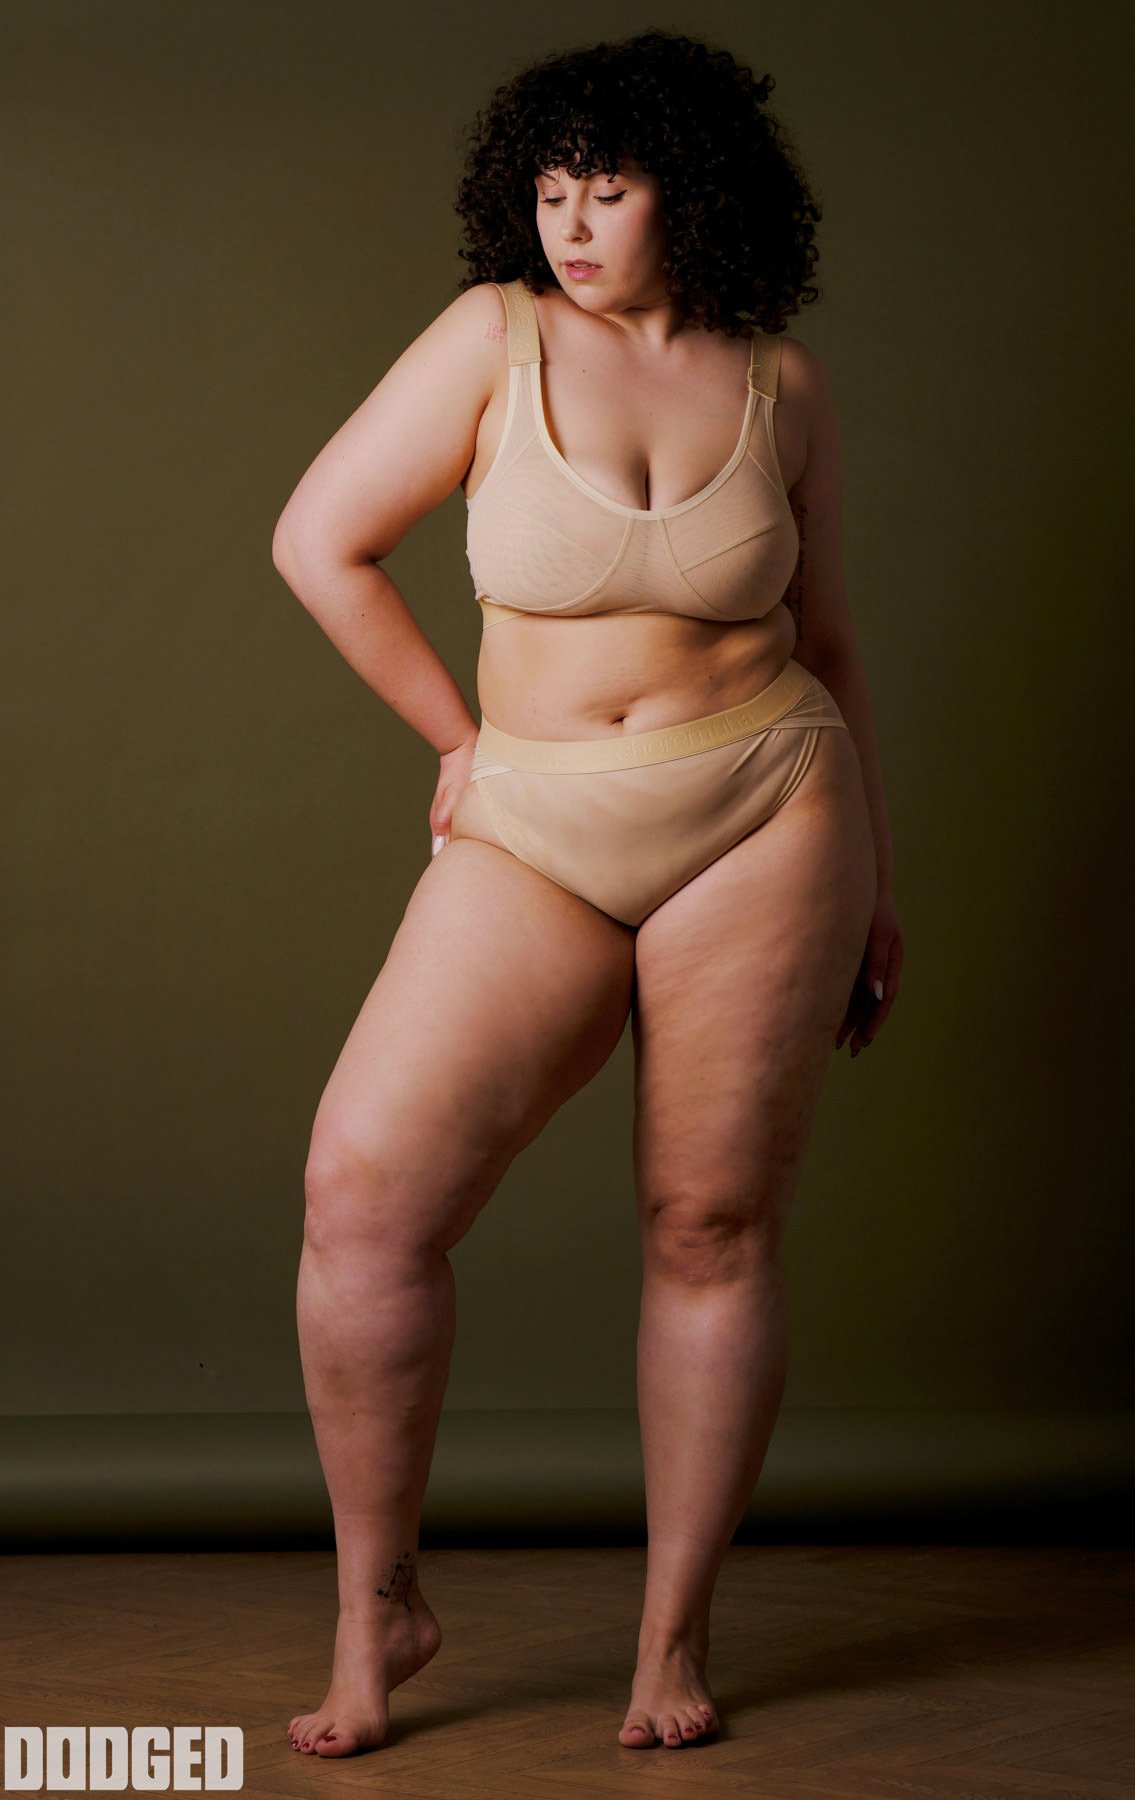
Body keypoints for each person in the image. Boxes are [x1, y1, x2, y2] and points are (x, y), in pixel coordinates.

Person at [271, 26, 903, 1760]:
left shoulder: (782, 382)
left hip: (769, 810)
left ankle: (671, 1637)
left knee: (711, 1225)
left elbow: (835, 643)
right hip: (538, 819)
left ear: (687, 192)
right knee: (362, 1198)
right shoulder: (492, 338)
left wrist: (881, 880)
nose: (569, 223)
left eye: (606, 190)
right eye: (549, 190)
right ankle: (378, 1609)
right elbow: (319, 541)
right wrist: (458, 740)